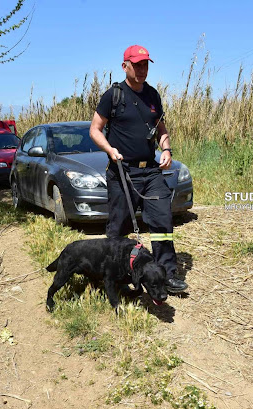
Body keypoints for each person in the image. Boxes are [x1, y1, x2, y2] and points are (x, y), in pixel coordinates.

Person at [89, 45, 188, 294]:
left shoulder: (153, 95)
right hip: (122, 172)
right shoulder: (114, 95)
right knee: (119, 227)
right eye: (137, 64)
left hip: (151, 172)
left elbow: (161, 130)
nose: (142, 69)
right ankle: (114, 275)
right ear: (125, 66)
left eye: (145, 64)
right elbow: (94, 130)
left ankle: (166, 274)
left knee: (163, 220)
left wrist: (166, 150)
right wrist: (110, 150)